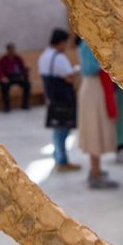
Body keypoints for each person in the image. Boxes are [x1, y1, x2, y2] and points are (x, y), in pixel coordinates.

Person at [76, 40, 119, 189]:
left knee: (97, 128)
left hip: (95, 87)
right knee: (94, 130)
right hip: (93, 88)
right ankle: (95, 174)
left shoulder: (90, 41)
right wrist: (108, 62)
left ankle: (96, 170)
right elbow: (89, 68)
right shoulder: (88, 43)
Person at [39, 28, 81, 172]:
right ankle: (62, 161)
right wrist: (76, 71)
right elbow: (68, 77)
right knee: (63, 130)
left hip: (52, 97)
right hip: (63, 98)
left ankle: (57, 156)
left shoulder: (44, 55)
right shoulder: (59, 57)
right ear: (61, 42)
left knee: (57, 129)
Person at [0, 43, 31, 110]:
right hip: (8, 77)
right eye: (11, 50)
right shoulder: (3, 59)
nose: (12, 51)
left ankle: (25, 104)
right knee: (4, 86)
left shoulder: (18, 58)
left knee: (27, 84)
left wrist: (24, 73)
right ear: (8, 50)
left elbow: (23, 68)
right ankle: (7, 106)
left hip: (18, 77)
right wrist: (2, 77)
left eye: (13, 49)